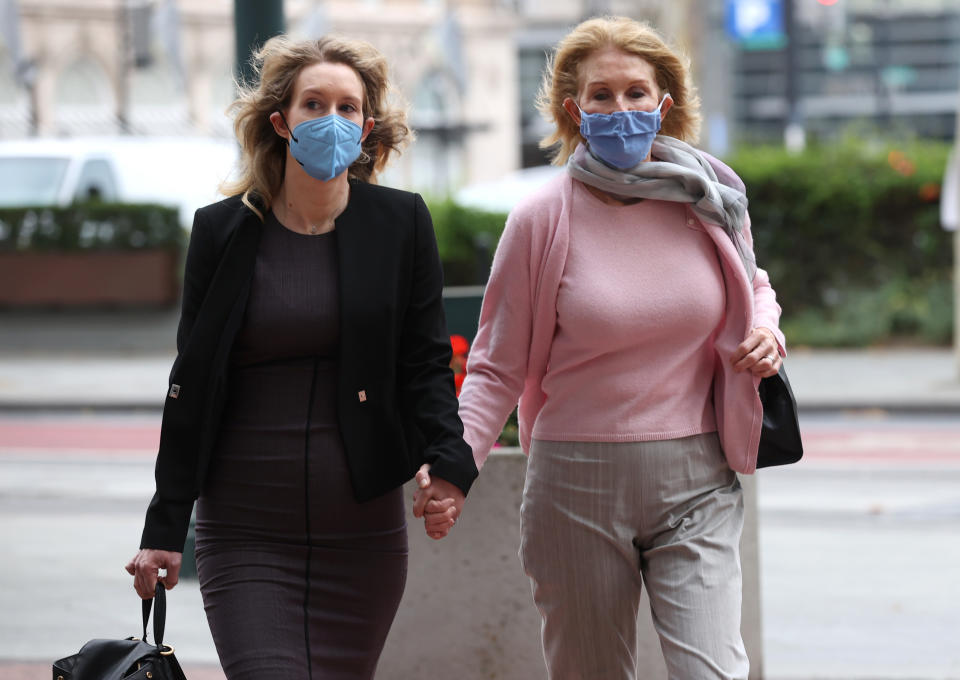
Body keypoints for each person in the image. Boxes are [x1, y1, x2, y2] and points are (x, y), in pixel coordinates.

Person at [418, 15, 786, 680]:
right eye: (601, 95)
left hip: (699, 475)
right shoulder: (543, 218)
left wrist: (767, 329)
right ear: (573, 110)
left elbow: (752, 283)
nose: (621, 109)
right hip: (574, 483)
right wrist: (453, 469)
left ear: (664, 103)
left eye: (636, 93)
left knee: (713, 671)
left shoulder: (713, 199)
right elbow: (496, 364)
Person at [125, 34, 477, 680]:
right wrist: (165, 523)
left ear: (367, 128)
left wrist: (449, 464)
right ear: (281, 121)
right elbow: (193, 386)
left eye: (348, 108)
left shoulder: (400, 224)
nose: (332, 121)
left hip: (363, 534)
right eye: (314, 104)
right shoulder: (222, 232)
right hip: (247, 528)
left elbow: (425, 365)